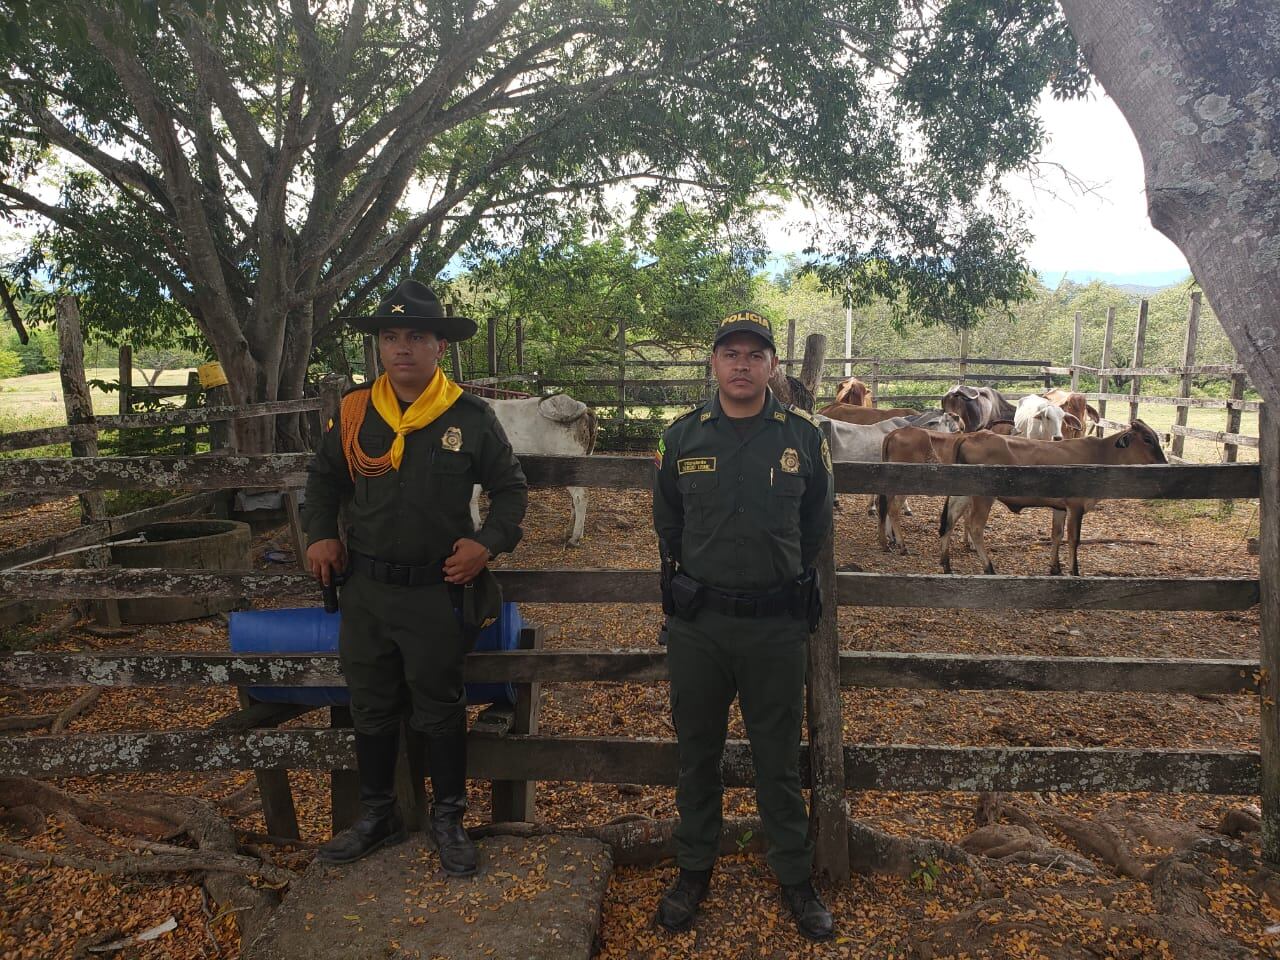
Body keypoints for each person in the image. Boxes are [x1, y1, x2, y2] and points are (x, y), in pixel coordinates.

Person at [304, 279, 528, 876]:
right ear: (379, 345)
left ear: (439, 347)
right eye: (391, 336)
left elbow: (510, 493)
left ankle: (448, 819)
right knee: (371, 707)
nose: (403, 347)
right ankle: (377, 815)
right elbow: (323, 484)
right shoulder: (354, 413)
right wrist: (319, 534)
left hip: (437, 590)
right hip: (368, 591)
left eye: (417, 336)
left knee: (439, 708)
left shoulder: (470, 418)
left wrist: (485, 545)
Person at [651, 310, 835, 941]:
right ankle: (692, 868)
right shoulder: (680, 440)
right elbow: (668, 524)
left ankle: (793, 875)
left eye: (754, 355)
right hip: (700, 627)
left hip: (775, 627)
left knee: (778, 760)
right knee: (696, 754)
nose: (741, 365)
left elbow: (815, 525)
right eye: (730, 353)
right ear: (714, 363)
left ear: (772, 367)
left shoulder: (803, 440)